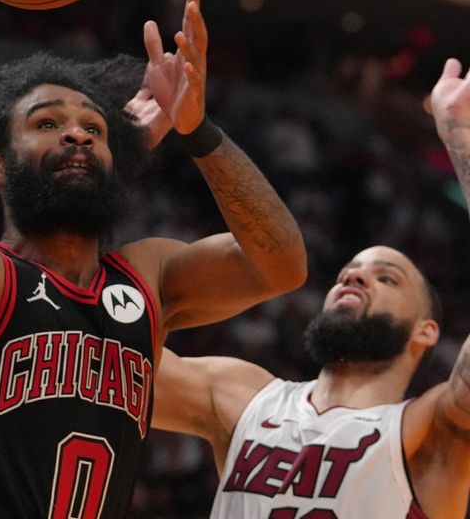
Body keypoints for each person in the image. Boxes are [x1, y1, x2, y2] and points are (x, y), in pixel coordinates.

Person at [0, 0, 306, 517]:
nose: (78, 132)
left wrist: (198, 130)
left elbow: (282, 267)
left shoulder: (145, 279)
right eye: (47, 124)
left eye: (96, 128)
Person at [152, 60, 470, 518]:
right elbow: (95, 355)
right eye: (349, 270)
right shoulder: (242, 396)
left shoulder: (426, 431)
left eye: (387, 277)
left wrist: (459, 138)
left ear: (427, 331)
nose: (354, 276)